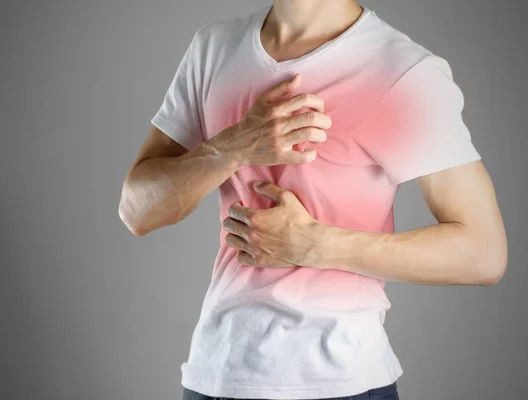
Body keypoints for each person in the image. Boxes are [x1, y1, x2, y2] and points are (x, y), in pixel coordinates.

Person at [118, 1, 507, 399]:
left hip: (335, 382)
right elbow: (137, 210)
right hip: (211, 375)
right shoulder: (213, 48)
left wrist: (316, 246)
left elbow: (483, 253)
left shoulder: (401, 70)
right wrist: (230, 148)